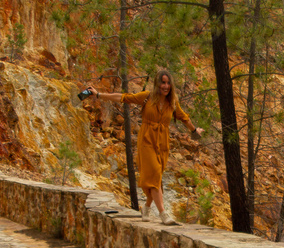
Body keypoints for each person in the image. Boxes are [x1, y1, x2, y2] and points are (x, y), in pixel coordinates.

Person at [87, 69, 204, 224]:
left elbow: (184, 118)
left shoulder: (172, 102)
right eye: (163, 82)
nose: (166, 86)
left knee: (155, 177)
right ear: (157, 83)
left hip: (162, 143)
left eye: (168, 83)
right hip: (147, 140)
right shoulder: (147, 97)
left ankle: (147, 208)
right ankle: (163, 214)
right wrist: (99, 95)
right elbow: (123, 97)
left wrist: (195, 131)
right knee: (154, 174)